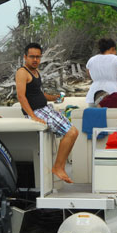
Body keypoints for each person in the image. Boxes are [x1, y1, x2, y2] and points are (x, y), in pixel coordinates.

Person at [16, 43, 79, 184]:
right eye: (32, 56)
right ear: (25, 57)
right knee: (71, 132)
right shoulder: (22, 72)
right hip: (37, 112)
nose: (35, 60)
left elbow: (39, 94)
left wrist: (54, 98)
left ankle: (60, 166)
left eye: (38, 57)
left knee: (73, 132)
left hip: (46, 109)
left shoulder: (36, 72)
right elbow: (21, 96)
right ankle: (58, 167)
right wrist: (33, 116)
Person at [85, 38, 117, 104]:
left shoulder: (91, 60)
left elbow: (89, 74)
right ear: (112, 48)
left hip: (93, 95)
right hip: (114, 93)